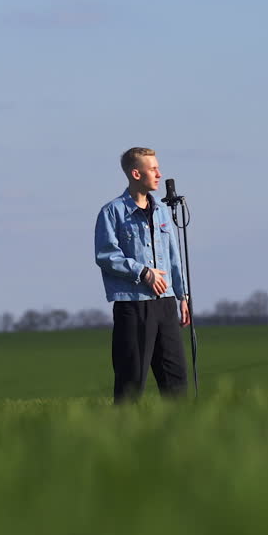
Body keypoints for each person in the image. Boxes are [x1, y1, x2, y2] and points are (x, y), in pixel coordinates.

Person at [94, 147, 191, 403]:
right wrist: (144, 272)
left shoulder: (161, 212)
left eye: (158, 168)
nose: (159, 174)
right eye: (153, 169)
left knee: (176, 381)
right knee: (131, 382)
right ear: (136, 174)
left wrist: (182, 295)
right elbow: (105, 255)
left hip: (166, 304)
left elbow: (173, 257)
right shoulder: (111, 212)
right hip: (133, 306)